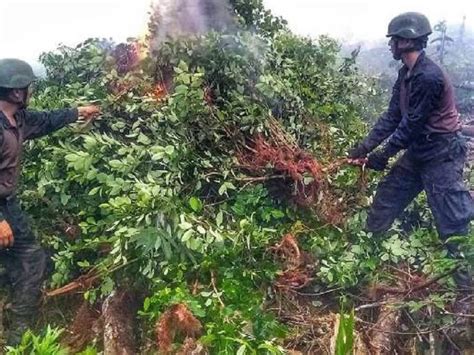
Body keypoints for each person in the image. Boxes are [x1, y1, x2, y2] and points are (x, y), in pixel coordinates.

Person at [348, 12, 472, 313]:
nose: (390, 45)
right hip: (419, 152)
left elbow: (412, 124)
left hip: (441, 153)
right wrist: (363, 147)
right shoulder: (405, 75)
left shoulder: (428, 76)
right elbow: (393, 116)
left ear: (406, 41)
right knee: (386, 201)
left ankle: (466, 295)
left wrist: (383, 154)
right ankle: (365, 261)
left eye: (394, 40)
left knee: (452, 224)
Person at [0, 58, 100, 345]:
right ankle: (16, 340)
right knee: (32, 258)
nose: (31, 92)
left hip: (8, 203)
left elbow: (46, 120)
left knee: (24, 258)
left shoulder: (18, 119)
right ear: (16, 92)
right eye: (27, 87)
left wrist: (77, 112)